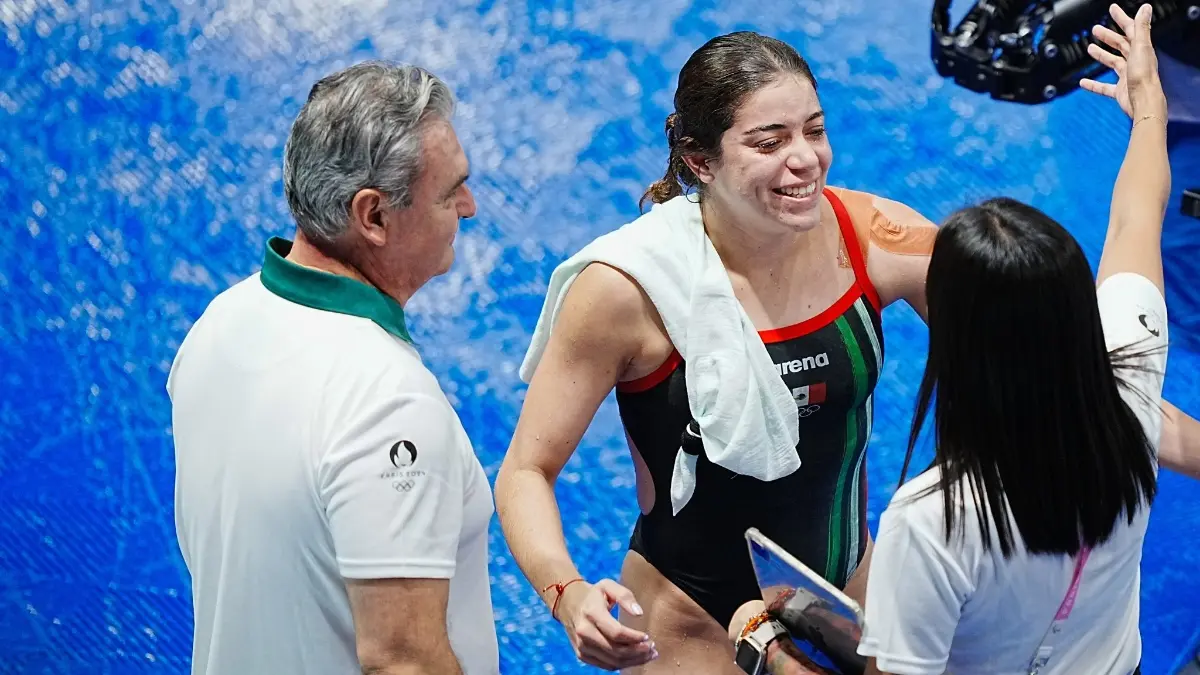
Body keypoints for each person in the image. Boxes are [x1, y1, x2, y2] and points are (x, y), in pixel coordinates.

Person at [728, 5, 1194, 674]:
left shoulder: (932, 520)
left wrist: (765, 649)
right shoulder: (1133, 390)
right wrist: (1151, 109)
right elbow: (1135, 219)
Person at [495, 31, 943, 674]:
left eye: (814, 131)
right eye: (769, 143)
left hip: (847, 604)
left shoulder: (866, 236)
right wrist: (567, 594)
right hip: (688, 628)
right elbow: (525, 471)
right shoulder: (627, 291)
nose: (805, 159)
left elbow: (1027, 337)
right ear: (700, 162)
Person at [167, 62, 498, 675]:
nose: (469, 207)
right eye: (450, 191)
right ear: (373, 217)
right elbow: (405, 661)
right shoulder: (387, 398)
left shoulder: (218, 324)